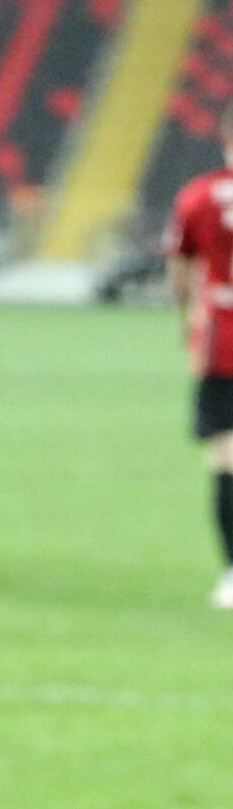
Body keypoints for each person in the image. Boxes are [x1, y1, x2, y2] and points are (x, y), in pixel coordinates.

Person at [162, 104, 233, 609]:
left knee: (226, 456)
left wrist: (186, 320)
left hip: (223, 340)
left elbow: (180, 270)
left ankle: (232, 572)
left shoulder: (199, 195)